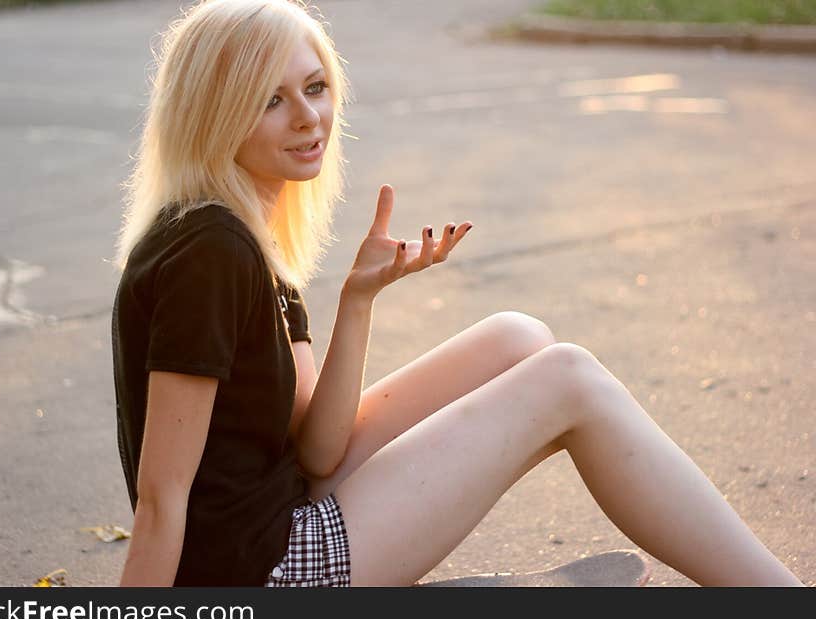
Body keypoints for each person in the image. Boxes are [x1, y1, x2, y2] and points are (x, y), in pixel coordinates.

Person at [111, 0, 804, 587]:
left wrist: (357, 300)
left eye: (315, 88)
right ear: (217, 113)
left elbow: (317, 454)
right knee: (571, 381)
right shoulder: (209, 251)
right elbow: (160, 498)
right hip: (263, 573)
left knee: (519, 337)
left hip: (277, 510)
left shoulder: (245, 236)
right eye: (271, 98)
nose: (306, 117)